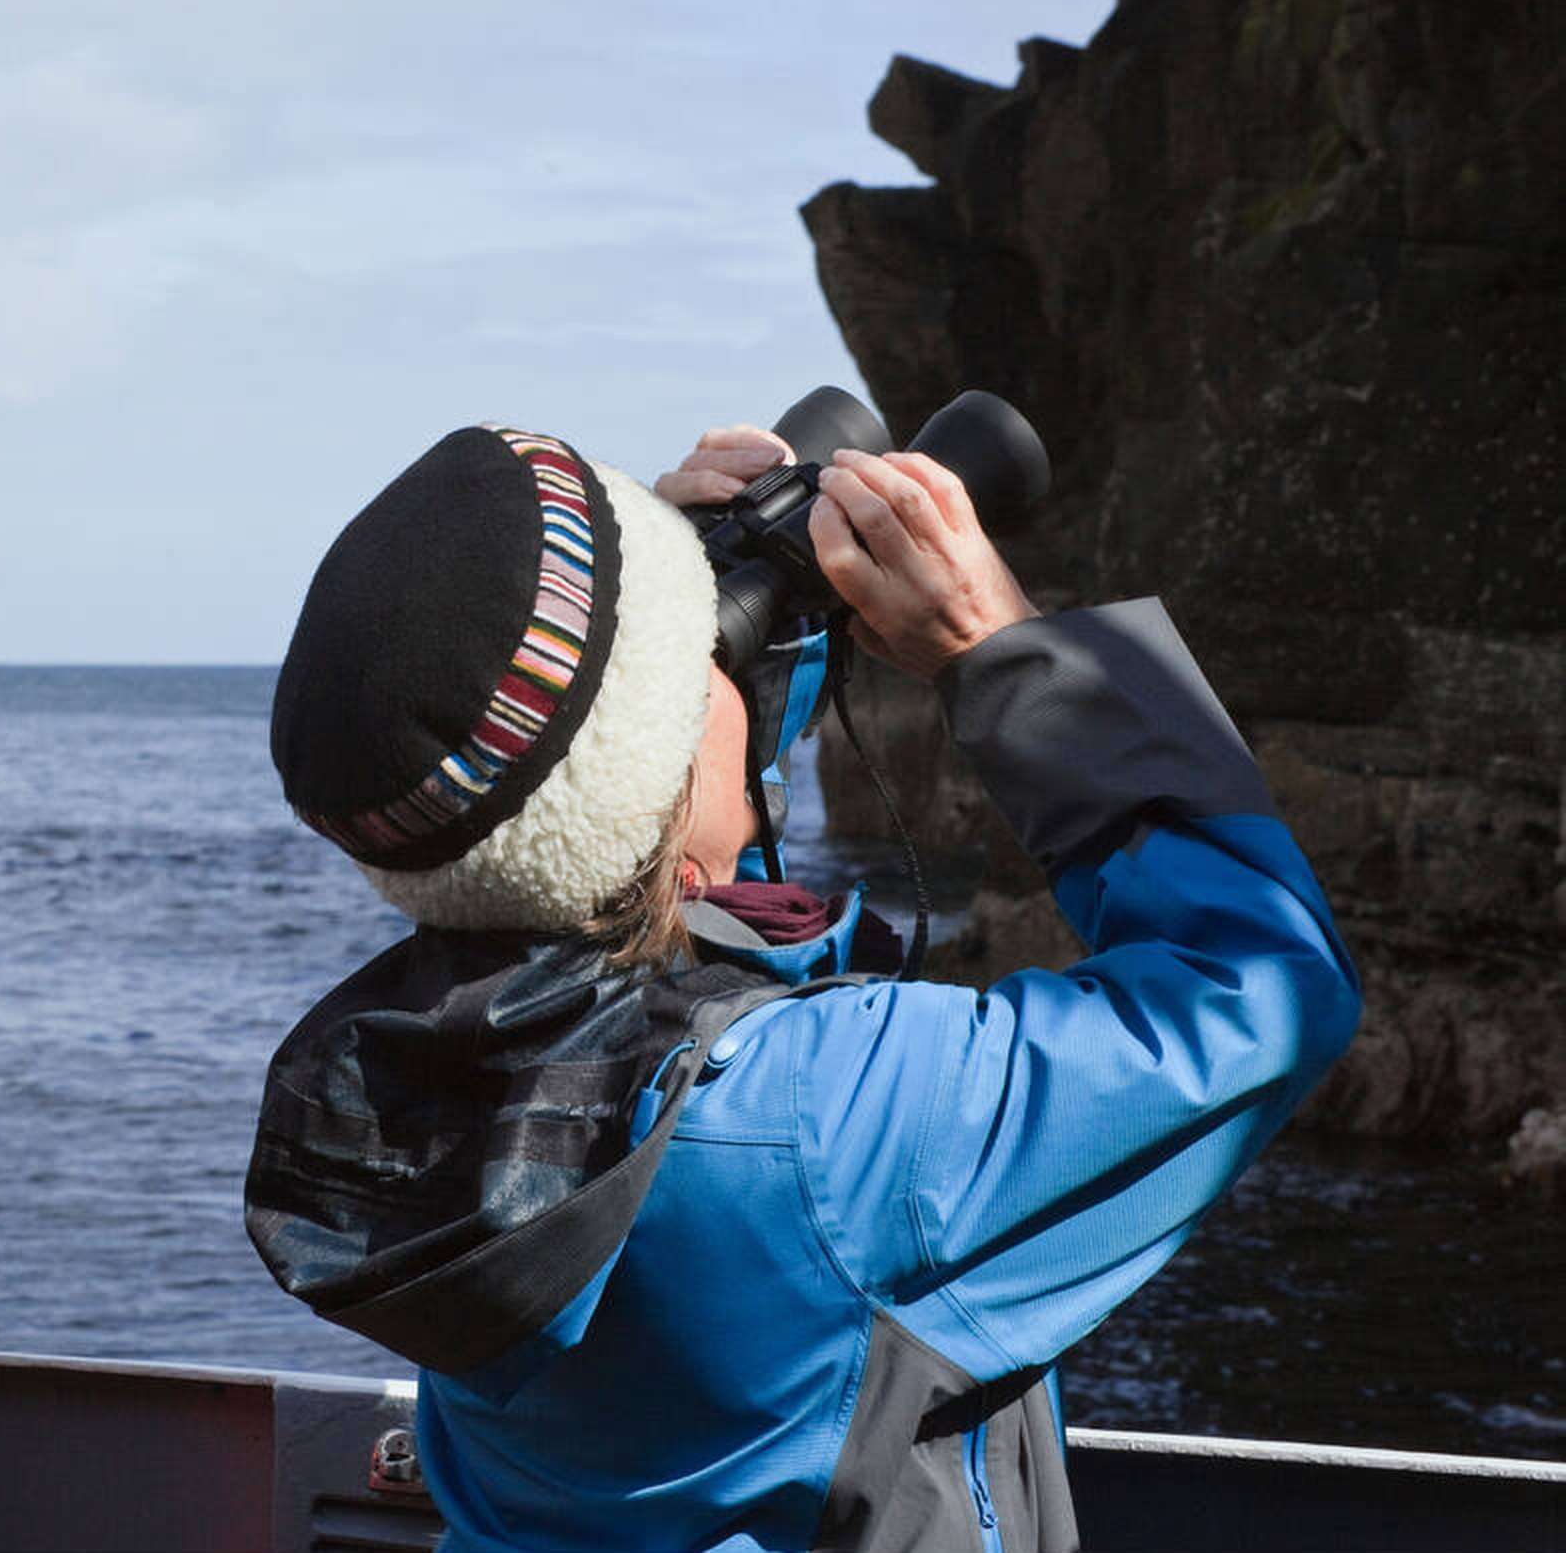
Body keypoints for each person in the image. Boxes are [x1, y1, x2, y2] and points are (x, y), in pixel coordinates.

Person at [244, 423, 1361, 1553]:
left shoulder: (402, 1067)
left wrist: (737, 618)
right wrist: (1004, 653)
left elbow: (672, 907)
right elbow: (1260, 981)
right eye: (694, 667)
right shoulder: (835, 1135)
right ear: (671, 782)